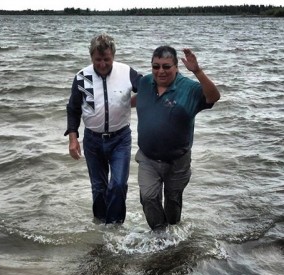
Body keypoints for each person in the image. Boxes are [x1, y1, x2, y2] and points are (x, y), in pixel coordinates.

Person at [135, 46, 220, 230]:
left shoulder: (189, 89)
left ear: (176, 67)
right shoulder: (145, 83)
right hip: (148, 158)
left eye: (166, 66)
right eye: (156, 66)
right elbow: (138, 99)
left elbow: (214, 96)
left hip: (178, 161)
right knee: (149, 197)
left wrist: (197, 71)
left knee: (173, 203)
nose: (161, 71)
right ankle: (159, 236)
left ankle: (173, 235)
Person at [64, 34, 142, 224]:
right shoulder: (82, 77)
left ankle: (115, 228)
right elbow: (73, 109)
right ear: (91, 57)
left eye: (106, 59)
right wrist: (73, 139)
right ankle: (100, 227)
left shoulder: (127, 72)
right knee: (98, 188)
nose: (102, 63)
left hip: (120, 139)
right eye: (98, 59)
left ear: (113, 55)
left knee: (118, 184)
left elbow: (149, 90)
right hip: (92, 141)